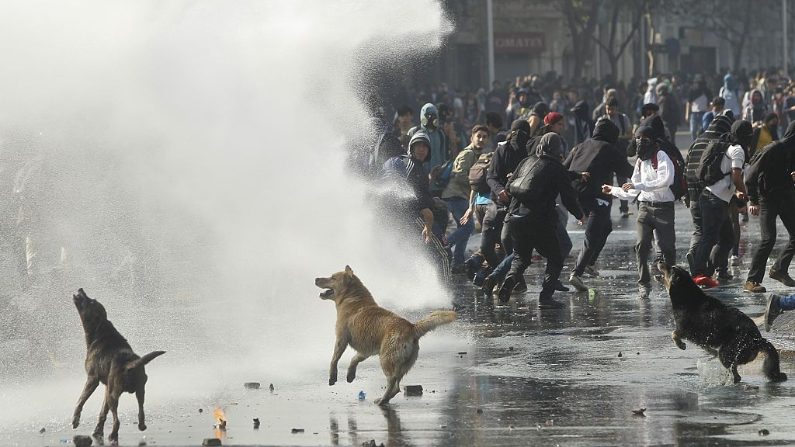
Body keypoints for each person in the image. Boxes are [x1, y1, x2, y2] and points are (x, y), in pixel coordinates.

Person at [497, 133, 584, 308]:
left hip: (516, 218)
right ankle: (545, 297)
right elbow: (568, 197)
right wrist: (580, 215)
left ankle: (510, 279)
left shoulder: (525, 161)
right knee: (556, 257)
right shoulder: (555, 167)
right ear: (558, 149)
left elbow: (508, 187)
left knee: (521, 258)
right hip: (540, 220)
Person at [602, 126, 675, 299]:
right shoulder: (640, 162)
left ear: (651, 140)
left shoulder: (661, 156)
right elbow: (632, 191)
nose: (639, 141)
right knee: (641, 246)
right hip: (644, 207)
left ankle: (672, 281)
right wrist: (612, 189)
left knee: (668, 249)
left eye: (643, 138)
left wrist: (639, 185)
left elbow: (666, 180)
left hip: (663, 208)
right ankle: (644, 284)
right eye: (637, 138)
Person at [564, 117, 634, 291]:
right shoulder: (609, 148)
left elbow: (564, 168)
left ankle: (589, 262)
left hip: (574, 193)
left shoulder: (580, 146)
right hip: (598, 196)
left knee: (606, 227)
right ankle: (576, 273)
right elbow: (626, 170)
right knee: (592, 234)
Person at [380, 131, 451, 283]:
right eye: (418, 145)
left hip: (407, 218)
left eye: (425, 146)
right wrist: (428, 222)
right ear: (411, 147)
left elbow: (419, 192)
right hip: (414, 216)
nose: (421, 149)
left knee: (420, 255)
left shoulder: (417, 167)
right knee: (444, 253)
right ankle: (447, 299)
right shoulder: (411, 165)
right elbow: (415, 199)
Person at [691, 120, 752, 290]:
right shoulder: (738, 149)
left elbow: (724, 177)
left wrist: (735, 193)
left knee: (727, 239)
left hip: (714, 197)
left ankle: (707, 272)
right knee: (709, 237)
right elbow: (735, 175)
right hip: (714, 200)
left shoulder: (728, 146)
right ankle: (698, 273)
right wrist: (746, 193)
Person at [480, 119, 533, 295]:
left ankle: (510, 278)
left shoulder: (529, 153)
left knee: (507, 241)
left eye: (523, 134)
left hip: (517, 205)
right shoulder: (502, 150)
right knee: (486, 246)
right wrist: (500, 189)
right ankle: (503, 275)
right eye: (517, 133)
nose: (519, 138)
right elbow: (491, 177)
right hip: (496, 203)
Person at [743, 121, 795, 290]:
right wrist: (753, 200)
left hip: (786, 196)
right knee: (768, 238)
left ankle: (779, 269)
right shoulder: (773, 148)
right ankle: (752, 280)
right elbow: (750, 175)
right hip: (768, 198)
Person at [441, 125, 488, 271]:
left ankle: (458, 263)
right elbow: (459, 173)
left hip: (463, 195)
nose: (481, 139)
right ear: (472, 137)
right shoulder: (467, 154)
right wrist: (474, 184)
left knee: (465, 229)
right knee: (468, 227)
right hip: (455, 195)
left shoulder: (479, 155)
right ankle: (445, 244)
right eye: (478, 136)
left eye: (484, 137)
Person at [603, 97, 633, 217]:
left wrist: (618, 137)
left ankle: (624, 207)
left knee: (622, 181)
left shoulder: (623, 118)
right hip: (607, 156)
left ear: (617, 109)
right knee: (607, 182)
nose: (610, 112)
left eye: (612, 109)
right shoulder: (602, 120)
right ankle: (606, 207)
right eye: (608, 109)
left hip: (620, 154)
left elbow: (630, 134)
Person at [407, 103, 448, 172]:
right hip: (417, 172)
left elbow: (442, 155)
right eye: (428, 115)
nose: (431, 118)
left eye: (433, 115)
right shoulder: (414, 132)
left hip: (436, 174)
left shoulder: (440, 134)